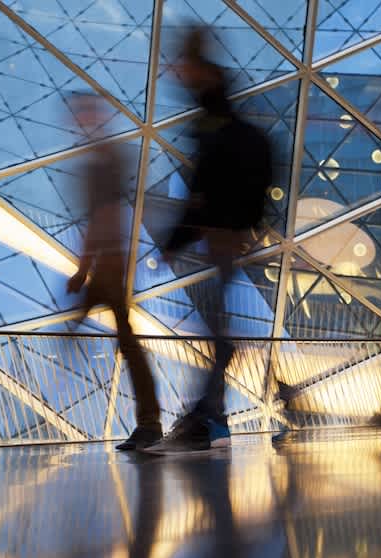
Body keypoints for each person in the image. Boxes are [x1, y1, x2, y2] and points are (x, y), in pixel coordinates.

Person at [145, 26, 273, 454]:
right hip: (227, 226)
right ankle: (212, 414)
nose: (175, 73)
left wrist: (178, 239)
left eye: (180, 65)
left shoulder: (212, 114)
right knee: (218, 325)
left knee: (219, 329)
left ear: (194, 63)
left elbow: (204, 182)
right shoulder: (214, 109)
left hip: (223, 228)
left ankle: (209, 416)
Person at [66, 91, 163, 452]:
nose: (80, 121)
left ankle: (150, 423)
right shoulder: (105, 159)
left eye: (85, 113)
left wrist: (84, 269)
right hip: (111, 263)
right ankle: (149, 421)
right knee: (125, 339)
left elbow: (102, 217)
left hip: (110, 265)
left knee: (125, 341)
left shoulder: (104, 163)